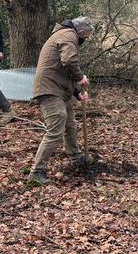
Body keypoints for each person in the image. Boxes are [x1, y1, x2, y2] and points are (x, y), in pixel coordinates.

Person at [27, 17, 94, 185]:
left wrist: (78, 93)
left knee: (70, 125)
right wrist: (80, 78)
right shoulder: (68, 35)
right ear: (81, 31)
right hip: (49, 89)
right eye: (86, 35)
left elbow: (65, 70)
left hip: (60, 90)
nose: (86, 38)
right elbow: (69, 61)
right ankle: (37, 172)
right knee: (56, 126)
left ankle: (76, 157)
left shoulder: (66, 35)